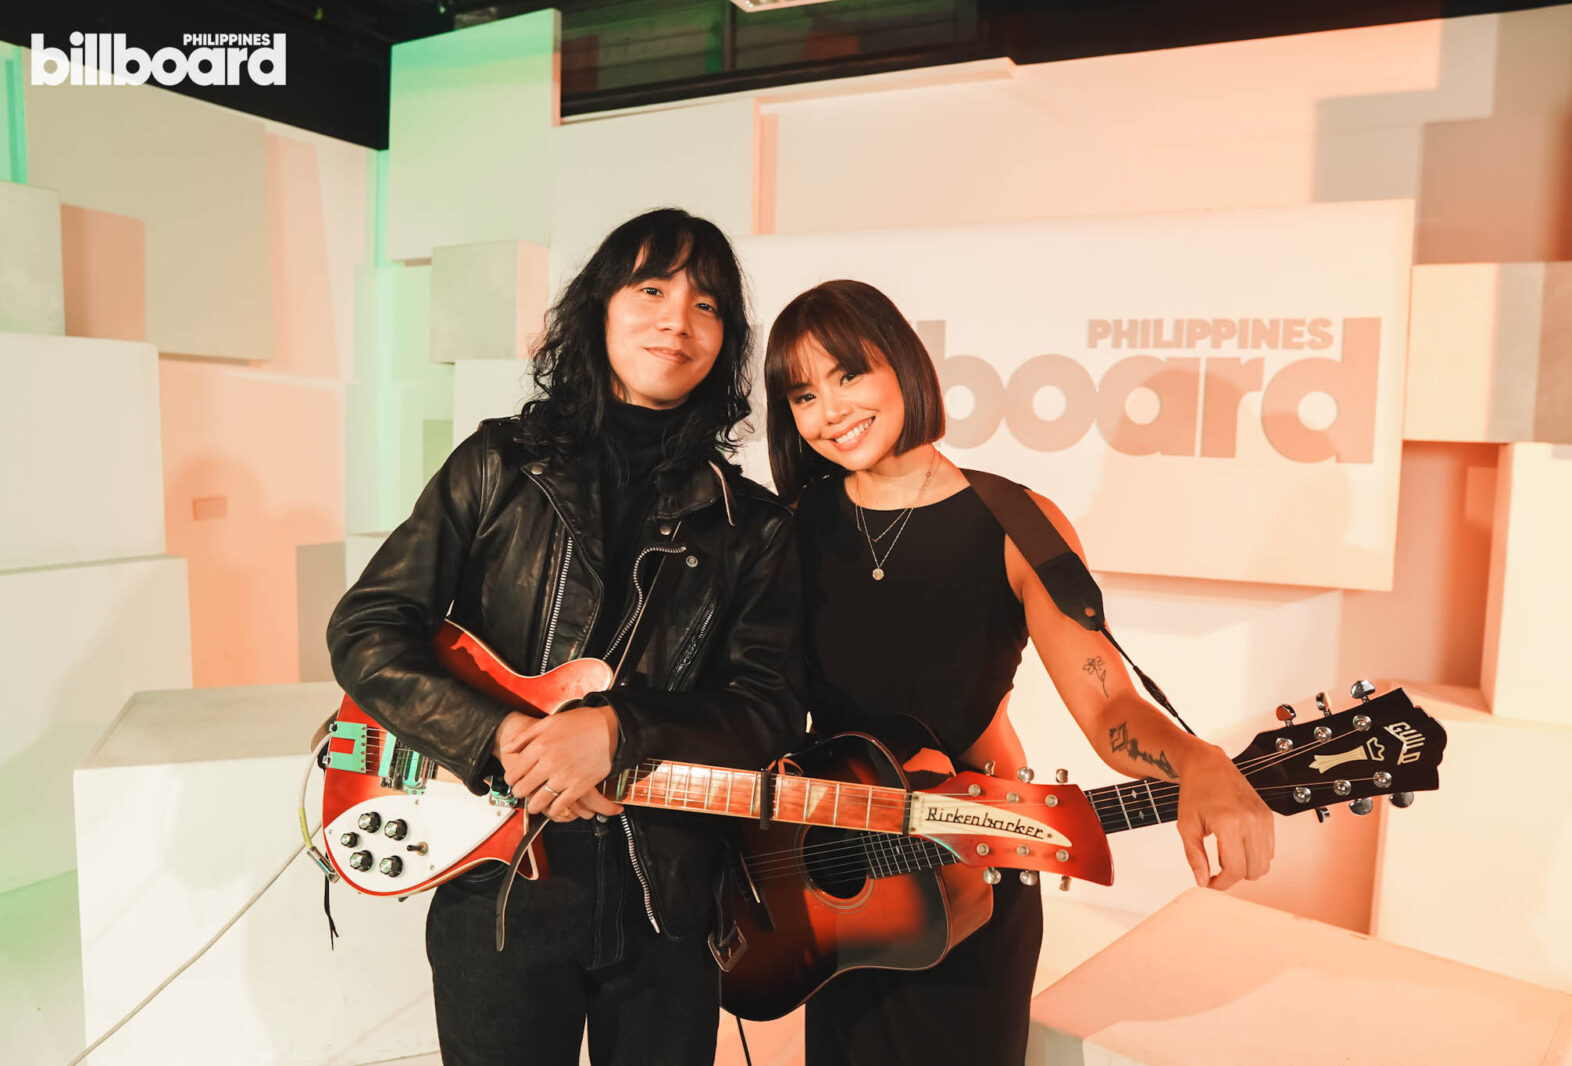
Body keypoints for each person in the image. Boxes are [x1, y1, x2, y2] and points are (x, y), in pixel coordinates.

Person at [327, 208, 806, 1066]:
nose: (677, 320)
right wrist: (502, 737)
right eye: (651, 290)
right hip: (499, 886)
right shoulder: (498, 465)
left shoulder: (755, 526)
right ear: (599, 308)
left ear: (725, 340)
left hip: (669, 899)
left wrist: (622, 731)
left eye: (707, 305)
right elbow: (368, 628)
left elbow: (769, 708)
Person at [762, 279, 1274, 1065]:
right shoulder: (790, 528)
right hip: (839, 879)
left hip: (975, 869)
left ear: (902, 365)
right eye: (803, 395)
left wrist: (1197, 760)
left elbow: (1109, 708)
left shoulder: (1017, 523)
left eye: (848, 374)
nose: (830, 410)